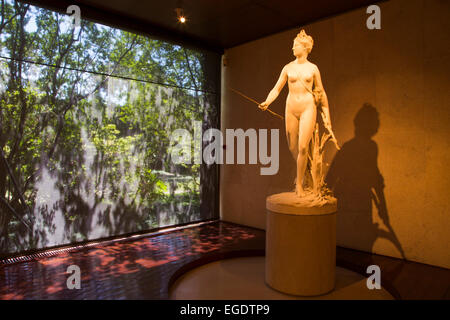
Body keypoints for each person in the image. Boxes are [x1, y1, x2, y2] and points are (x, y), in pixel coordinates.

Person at [259, 29, 338, 196]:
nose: (293, 48)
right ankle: (306, 170)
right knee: (292, 146)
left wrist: (327, 118)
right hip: (291, 108)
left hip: (308, 107)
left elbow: (321, 93)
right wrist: (268, 101)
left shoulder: (313, 69)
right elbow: (277, 88)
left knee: (303, 146)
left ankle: (300, 184)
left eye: (295, 46)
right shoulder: (288, 68)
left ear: (305, 47)